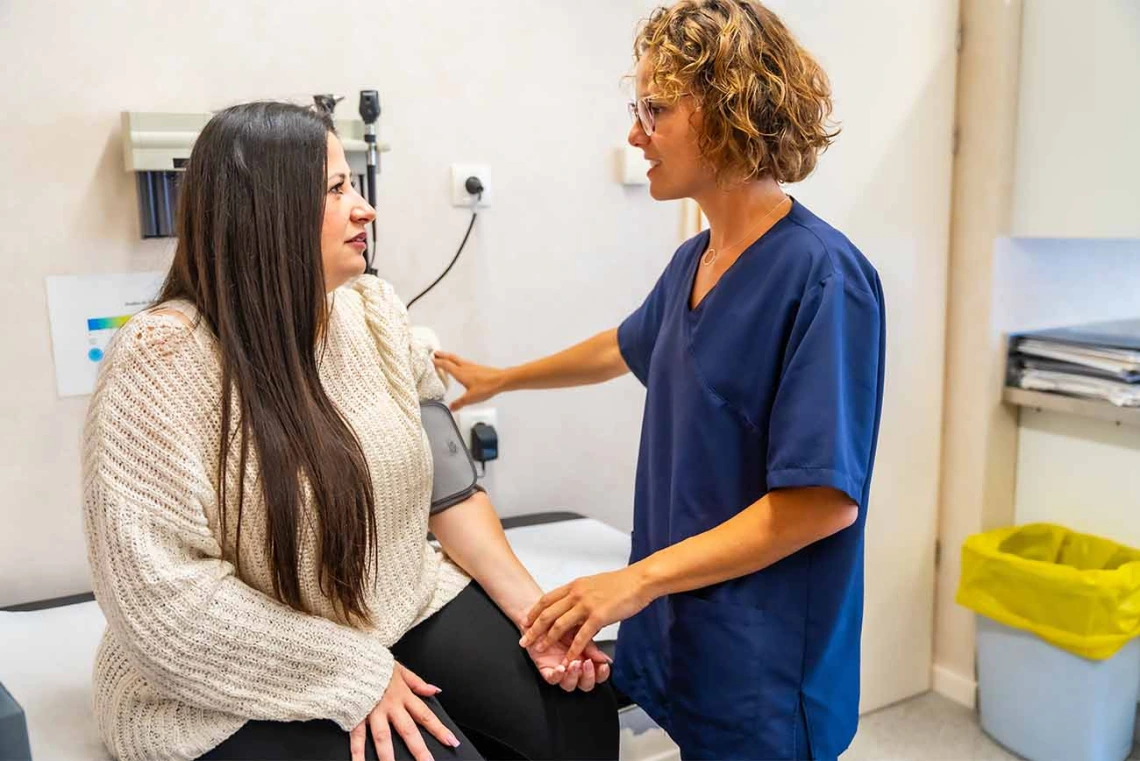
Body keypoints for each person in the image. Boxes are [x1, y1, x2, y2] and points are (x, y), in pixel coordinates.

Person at [82, 101, 617, 761]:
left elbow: (449, 493)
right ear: (267, 212)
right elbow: (163, 602)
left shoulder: (376, 314)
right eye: (337, 189)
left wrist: (539, 619)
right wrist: (356, 673)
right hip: (217, 668)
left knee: (575, 711)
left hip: (390, 602)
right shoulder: (162, 361)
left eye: (354, 184)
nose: (365, 209)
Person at [433, 2, 885, 759]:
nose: (636, 133)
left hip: (766, 660)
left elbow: (821, 503)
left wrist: (635, 580)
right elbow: (624, 345)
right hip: (690, 630)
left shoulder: (823, 276)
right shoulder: (694, 263)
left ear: (730, 112)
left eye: (656, 109)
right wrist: (503, 377)